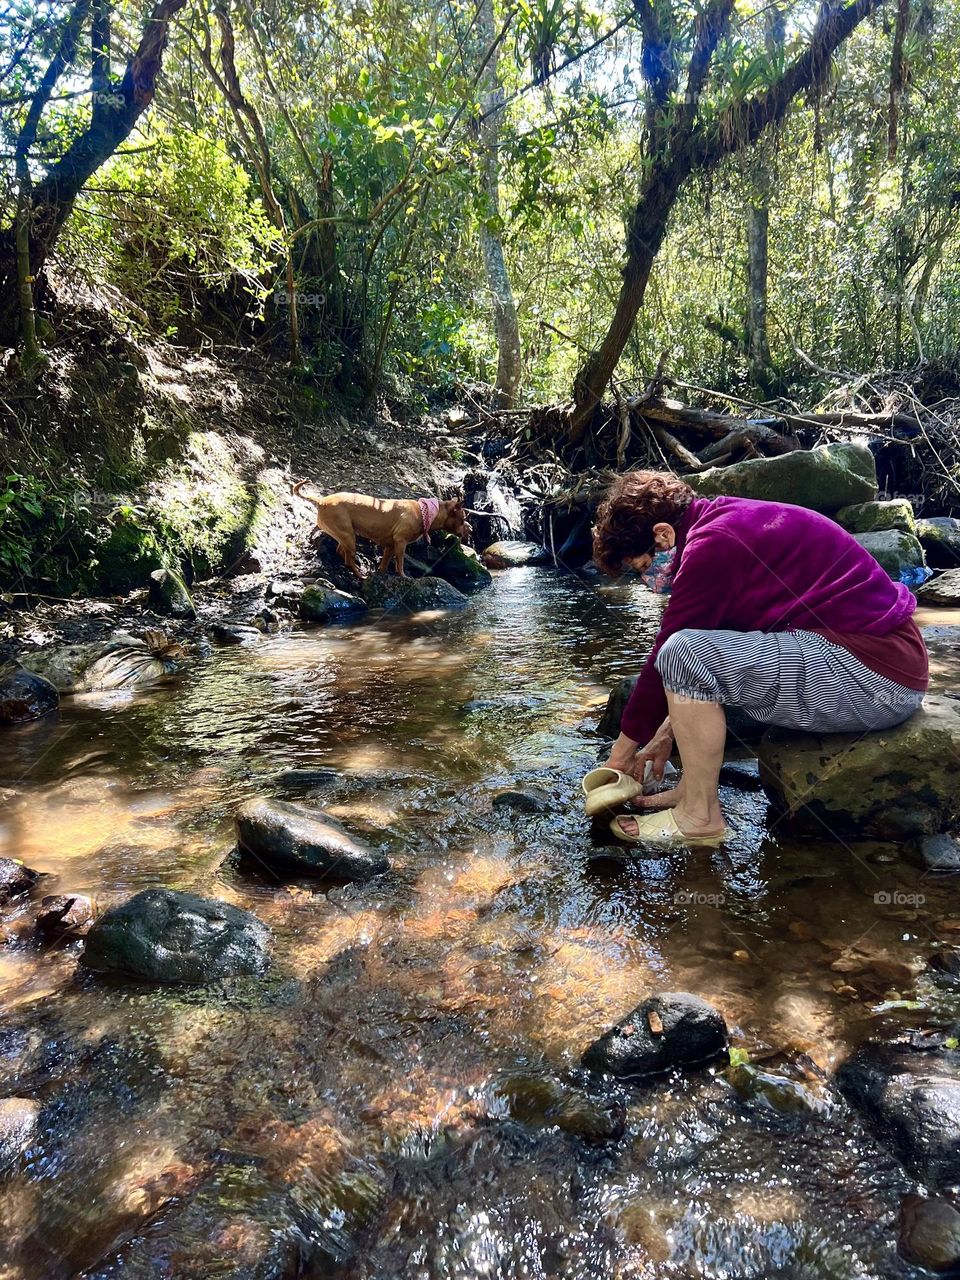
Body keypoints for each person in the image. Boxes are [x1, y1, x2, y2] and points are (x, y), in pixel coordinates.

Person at [591, 470, 929, 845]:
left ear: (663, 535)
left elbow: (670, 655)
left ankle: (699, 819)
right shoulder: (726, 521)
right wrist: (666, 731)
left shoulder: (711, 546)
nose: (647, 582)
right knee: (690, 651)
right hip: (885, 664)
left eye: (642, 568)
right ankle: (692, 793)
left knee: (681, 650)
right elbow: (717, 658)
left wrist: (618, 760)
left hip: (874, 676)